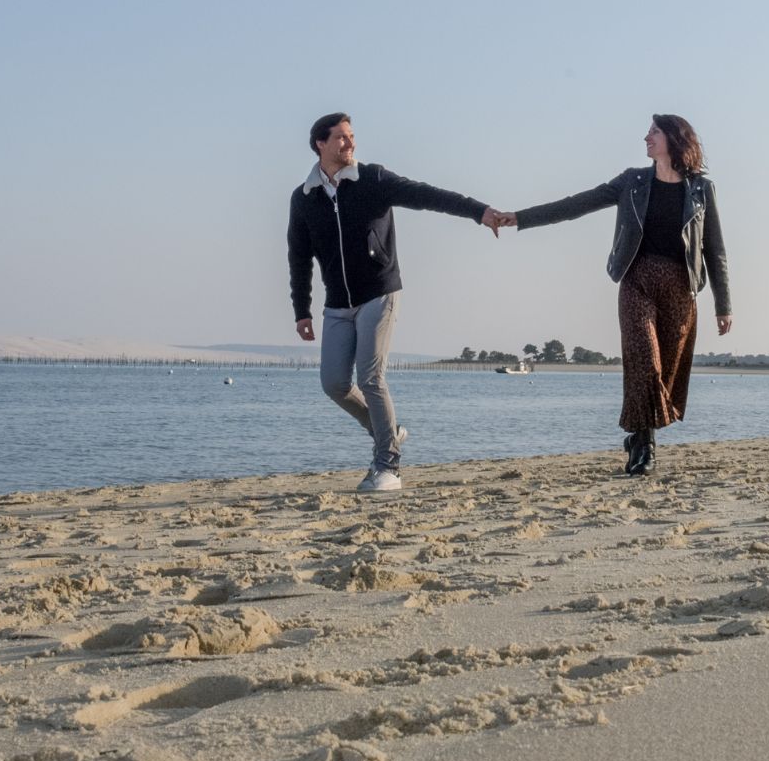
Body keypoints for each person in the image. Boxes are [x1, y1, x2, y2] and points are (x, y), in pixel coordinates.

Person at [288, 113, 508, 492]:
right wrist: (302, 309)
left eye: (352, 136)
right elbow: (298, 254)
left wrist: (479, 211)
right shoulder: (304, 197)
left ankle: (388, 466)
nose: (350, 143)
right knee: (334, 383)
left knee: (371, 378)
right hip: (338, 302)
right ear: (320, 145)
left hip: (379, 291)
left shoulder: (373, 179)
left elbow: (428, 195)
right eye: (341, 138)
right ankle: (388, 431)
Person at [513, 114, 731, 475]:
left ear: (674, 140)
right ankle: (644, 447)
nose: (646, 137)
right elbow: (576, 204)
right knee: (645, 361)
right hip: (637, 281)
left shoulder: (701, 190)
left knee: (667, 374)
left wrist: (724, 305)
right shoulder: (632, 182)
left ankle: (636, 438)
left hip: (680, 288)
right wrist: (519, 218)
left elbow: (715, 249)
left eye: (654, 132)